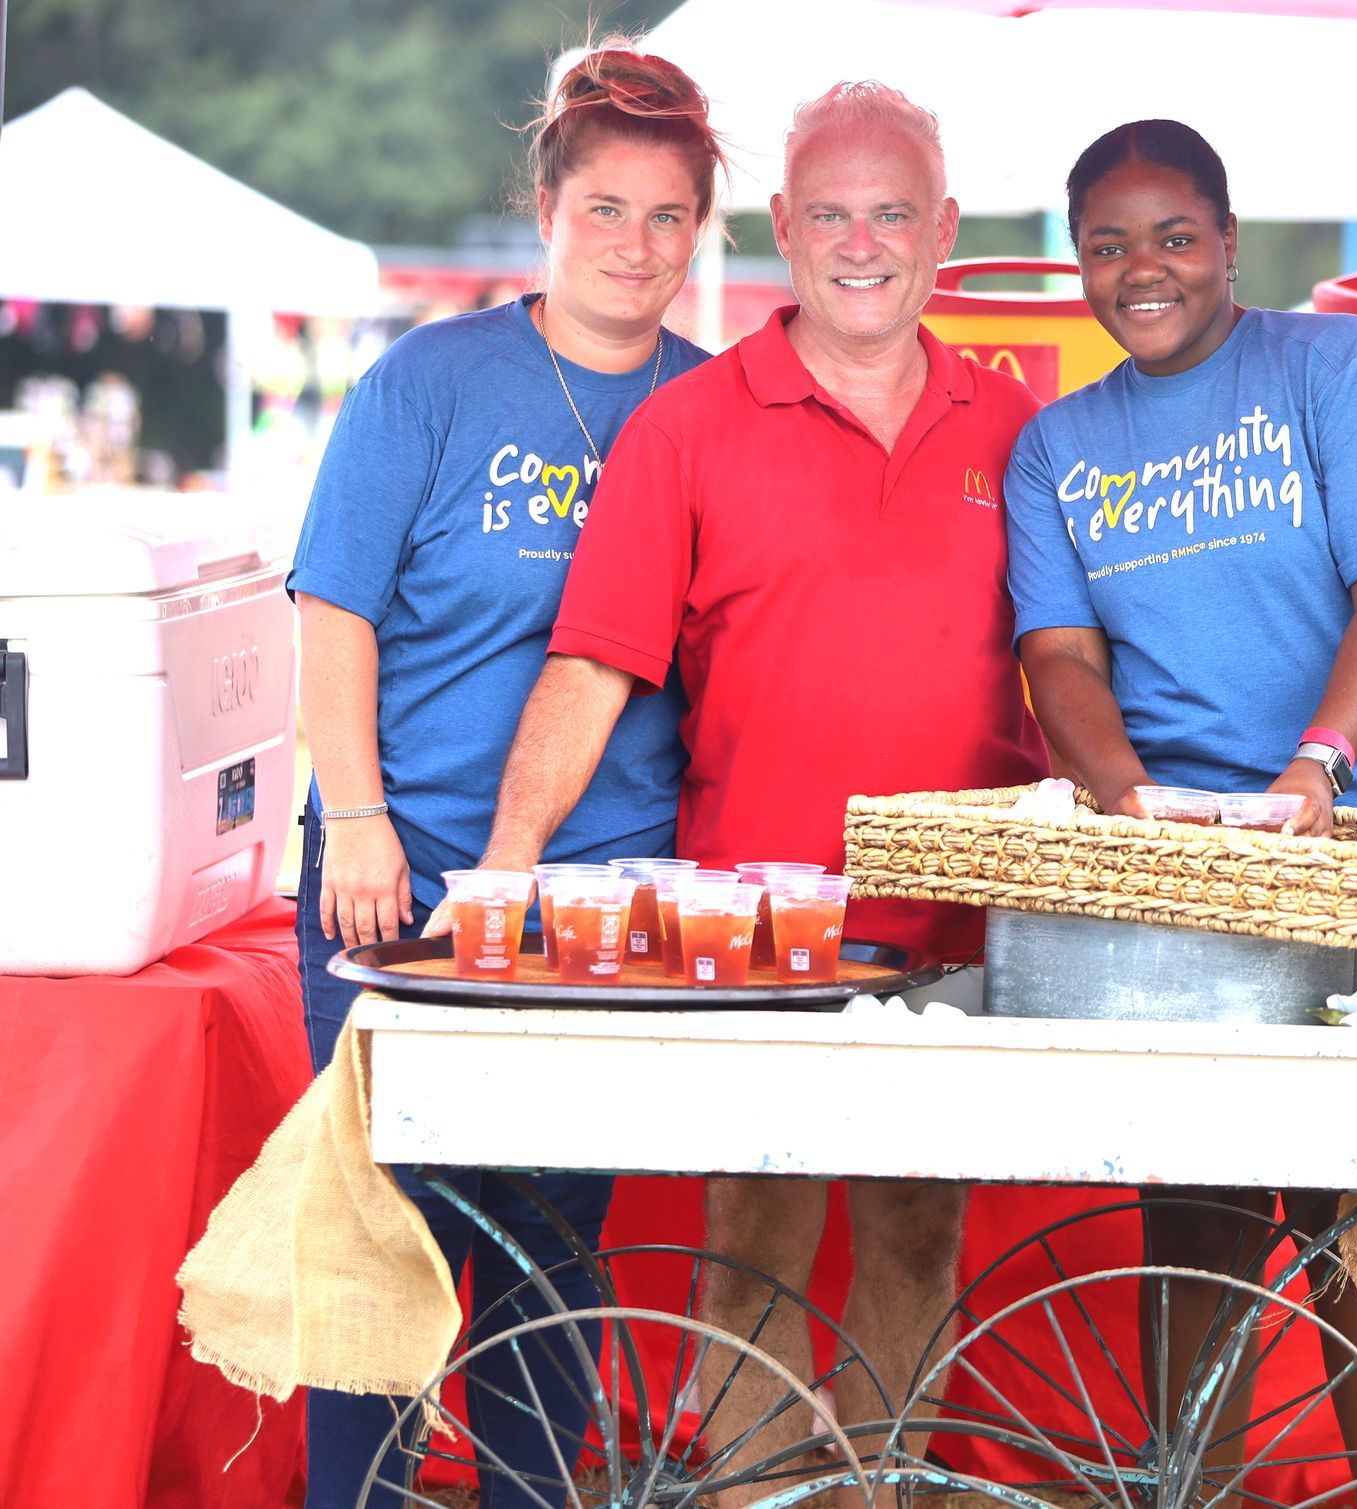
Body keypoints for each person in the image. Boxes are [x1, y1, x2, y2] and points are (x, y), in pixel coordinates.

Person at [437, 78, 1048, 1477]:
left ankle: (880, 1494)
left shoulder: (1014, 431)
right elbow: (593, 665)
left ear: (943, 229)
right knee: (753, 1250)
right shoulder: (692, 426)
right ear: (782, 224)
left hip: (955, 941)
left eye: (892, 210)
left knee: (915, 1231)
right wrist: (508, 863)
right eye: (829, 210)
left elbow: (1079, 667)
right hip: (756, 939)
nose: (860, 241)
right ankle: (762, 1498)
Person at [1002, 119, 1357, 1506]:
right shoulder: (1058, 448)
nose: (1142, 269)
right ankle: (1186, 1490)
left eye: (1173, 238)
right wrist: (1132, 798)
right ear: (1075, 257)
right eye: (1107, 243)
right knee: (1190, 1213)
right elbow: (1060, 659)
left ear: (1229, 244)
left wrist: (1313, 767)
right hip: (1188, 874)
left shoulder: (1338, 366)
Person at [287, 42, 726, 1508]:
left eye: (668, 217)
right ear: (544, 205)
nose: (636, 246)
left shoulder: (712, 406)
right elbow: (333, 613)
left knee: (548, 1251)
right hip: (395, 872)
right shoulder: (429, 381)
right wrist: (355, 823)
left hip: (599, 905)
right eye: (606, 208)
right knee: (384, 1247)